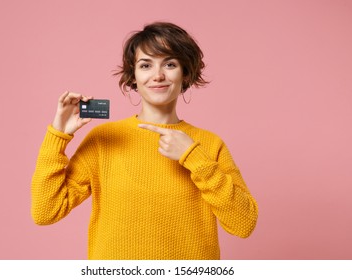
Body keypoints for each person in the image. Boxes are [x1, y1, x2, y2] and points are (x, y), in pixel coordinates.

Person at [31, 22, 258, 260]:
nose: (157, 75)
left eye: (169, 64)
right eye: (145, 65)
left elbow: (243, 224)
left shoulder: (209, 144)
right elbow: (46, 211)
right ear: (133, 76)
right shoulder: (104, 139)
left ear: (186, 73)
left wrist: (194, 157)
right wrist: (58, 135)